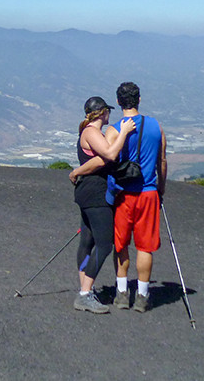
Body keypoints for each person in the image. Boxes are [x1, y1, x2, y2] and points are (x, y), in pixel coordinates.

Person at [103, 81, 167, 313]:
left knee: (121, 244)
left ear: (118, 102)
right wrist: (161, 189)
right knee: (145, 247)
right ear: (139, 99)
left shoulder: (114, 129)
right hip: (148, 193)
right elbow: (162, 161)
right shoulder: (155, 127)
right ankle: (142, 295)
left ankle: (121, 294)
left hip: (123, 194)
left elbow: (108, 160)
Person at [68, 96, 135, 314]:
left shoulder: (89, 132)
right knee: (105, 244)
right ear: (102, 112)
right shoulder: (91, 132)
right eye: (108, 111)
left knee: (87, 241)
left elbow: (100, 160)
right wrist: (124, 132)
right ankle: (85, 294)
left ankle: (85, 289)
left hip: (88, 191)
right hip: (95, 194)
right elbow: (109, 154)